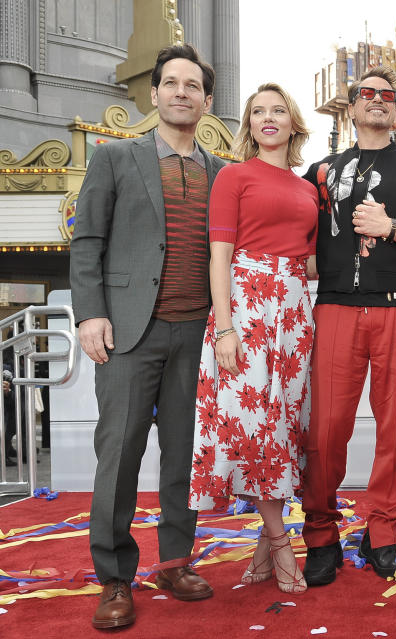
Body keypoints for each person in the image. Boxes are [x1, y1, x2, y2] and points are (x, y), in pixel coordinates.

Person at [70, 44, 223, 629]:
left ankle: (175, 560)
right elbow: (86, 243)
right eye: (171, 83)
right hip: (131, 332)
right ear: (154, 93)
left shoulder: (221, 174)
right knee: (120, 456)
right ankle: (114, 576)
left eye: (193, 85)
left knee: (183, 455)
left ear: (207, 101)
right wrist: (90, 314)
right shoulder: (114, 159)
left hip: (198, 334)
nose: (181, 92)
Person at [300, 66, 396, 585]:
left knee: (394, 429)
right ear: (351, 105)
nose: (377, 100)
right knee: (326, 429)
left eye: (387, 96)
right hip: (336, 307)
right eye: (366, 93)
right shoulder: (321, 173)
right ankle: (320, 532)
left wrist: (392, 228)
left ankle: (384, 530)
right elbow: (294, 233)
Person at [188, 83, 318, 594]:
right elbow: (219, 256)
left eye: (278, 110)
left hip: (294, 311)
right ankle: (283, 542)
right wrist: (224, 327)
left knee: (284, 425)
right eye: (258, 111)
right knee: (253, 424)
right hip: (245, 306)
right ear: (249, 124)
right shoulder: (233, 176)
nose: (268, 118)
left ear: (293, 122)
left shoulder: (309, 188)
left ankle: (267, 542)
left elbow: (308, 259)